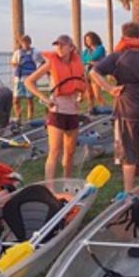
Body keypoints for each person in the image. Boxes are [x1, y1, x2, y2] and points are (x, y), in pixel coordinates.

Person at [91, 22, 139, 193]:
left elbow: (93, 72)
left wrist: (109, 89)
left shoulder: (117, 56)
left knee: (128, 156)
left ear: (124, 37)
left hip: (125, 111)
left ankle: (128, 193)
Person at [26, 35, 86, 180]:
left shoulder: (78, 63)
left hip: (72, 112)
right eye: (57, 45)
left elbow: (83, 82)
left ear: (71, 47)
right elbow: (29, 81)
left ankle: (67, 181)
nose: (59, 48)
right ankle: (49, 186)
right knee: (54, 151)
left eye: (62, 45)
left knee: (70, 152)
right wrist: (44, 97)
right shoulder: (51, 64)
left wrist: (80, 96)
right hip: (57, 111)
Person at [11, 35, 42, 122]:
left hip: (30, 78)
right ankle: (18, 117)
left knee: (29, 99)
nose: (25, 44)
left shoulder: (35, 52)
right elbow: (13, 63)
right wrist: (17, 66)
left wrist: (38, 72)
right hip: (19, 78)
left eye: (27, 42)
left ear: (30, 43)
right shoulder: (17, 53)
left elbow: (42, 61)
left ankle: (30, 118)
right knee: (16, 99)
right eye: (23, 42)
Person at [81, 31, 107, 114]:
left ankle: (105, 110)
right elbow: (83, 60)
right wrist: (89, 61)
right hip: (86, 73)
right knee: (89, 94)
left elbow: (94, 57)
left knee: (97, 95)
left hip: (96, 73)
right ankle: (91, 110)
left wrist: (88, 61)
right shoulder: (86, 51)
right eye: (86, 40)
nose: (87, 42)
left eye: (89, 39)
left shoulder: (100, 48)